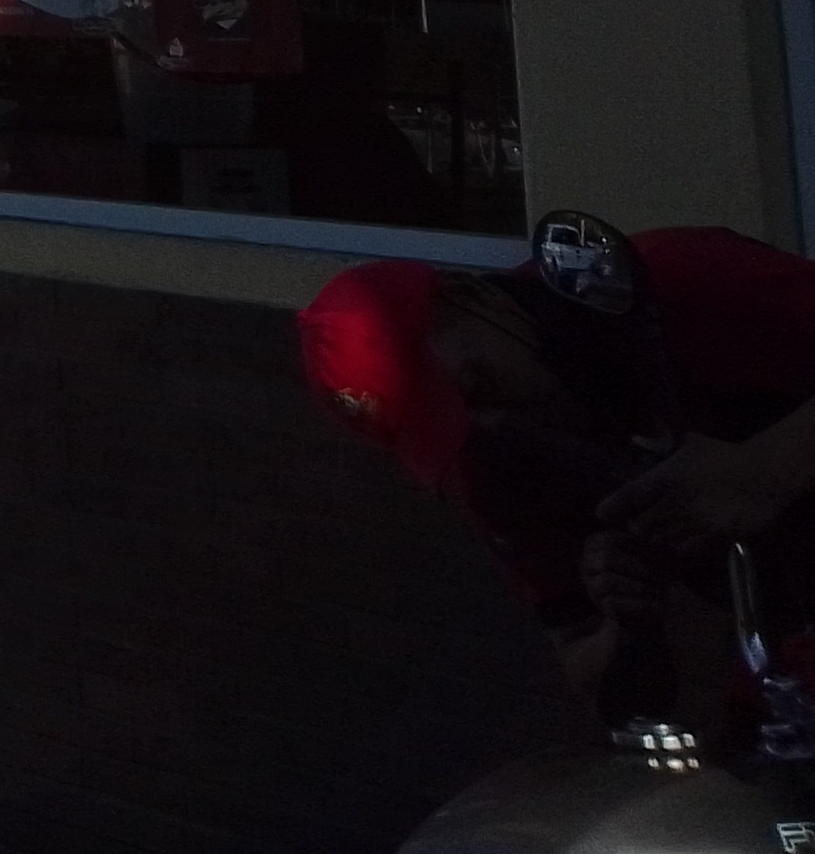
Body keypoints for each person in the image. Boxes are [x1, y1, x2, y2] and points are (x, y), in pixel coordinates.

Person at [304, 228, 815, 712]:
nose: (493, 422)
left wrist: (769, 465)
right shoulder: (490, 462)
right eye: (453, 429)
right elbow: (578, 658)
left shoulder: (680, 281)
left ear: (474, 299)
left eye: (479, 386)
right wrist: (626, 615)